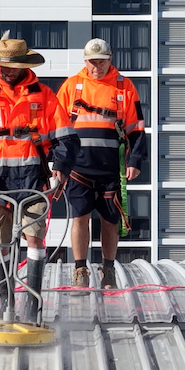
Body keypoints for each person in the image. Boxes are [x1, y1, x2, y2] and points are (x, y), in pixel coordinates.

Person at [0, 35, 77, 320]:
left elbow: (67, 139)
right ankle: (4, 302)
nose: (8, 70)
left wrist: (60, 165)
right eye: (4, 65)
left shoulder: (44, 96)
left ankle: (32, 307)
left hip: (34, 180)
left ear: (24, 65)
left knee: (34, 240)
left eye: (13, 66)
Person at [57, 38, 145, 289]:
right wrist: (60, 164)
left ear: (110, 60)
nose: (97, 67)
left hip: (111, 168)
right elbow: (59, 127)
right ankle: (80, 270)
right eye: (92, 62)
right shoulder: (72, 86)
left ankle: (108, 270)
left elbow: (136, 126)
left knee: (110, 219)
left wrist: (135, 159)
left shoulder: (124, 86)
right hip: (79, 167)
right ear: (85, 61)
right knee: (79, 217)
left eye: (102, 62)